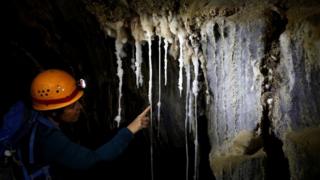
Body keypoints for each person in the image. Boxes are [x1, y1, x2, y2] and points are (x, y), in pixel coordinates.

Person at [19, 69, 150, 179]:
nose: (80, 108)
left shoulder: (36, 117)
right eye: (71, 106)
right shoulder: (49, 138)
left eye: (78, 102)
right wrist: (131, 129)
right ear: (54, 112)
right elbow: (92, 160)